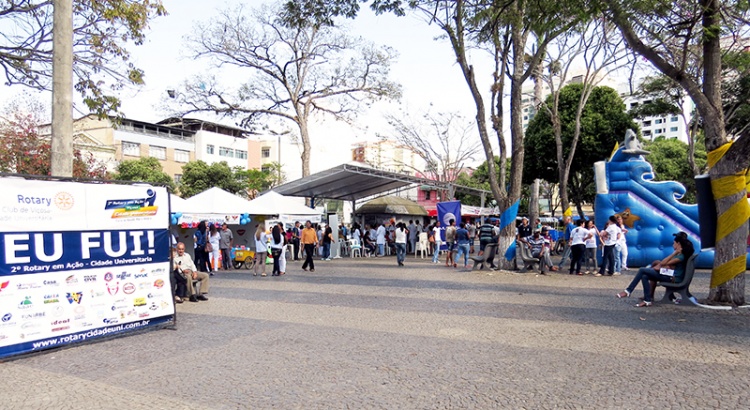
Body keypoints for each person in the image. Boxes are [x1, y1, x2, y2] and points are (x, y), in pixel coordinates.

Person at [616, 234, 694, 307]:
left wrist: (674, 253)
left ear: (678, 244)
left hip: (673, 278)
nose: (673, 245)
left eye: (674, 243)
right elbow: (665, 264)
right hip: (670, 275)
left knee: (642, 270)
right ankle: (647, 300)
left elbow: (663, 263)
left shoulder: (680, 257)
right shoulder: (680, 255)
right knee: (644, 276)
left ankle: (628, 291)